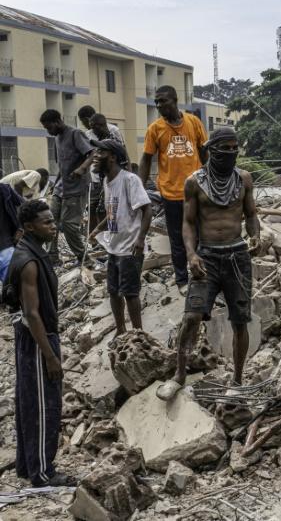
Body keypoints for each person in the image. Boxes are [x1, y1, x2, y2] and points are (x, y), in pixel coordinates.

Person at [156, 127, 259, 401]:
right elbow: (188, 223)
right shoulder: (194, 182)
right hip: (207, 257)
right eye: (225, 148)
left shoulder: (244, 179)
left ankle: (237, 380)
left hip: (237, 257)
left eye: (235, 148)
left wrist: (256, 236)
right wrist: (191, 255)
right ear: (212, 150)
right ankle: (178, 375)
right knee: (191, 317)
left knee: (240, 320)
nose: (231, 153)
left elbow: (251, 215)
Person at [6, 199, 76, 487]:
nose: (53, 226)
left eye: (52, 220)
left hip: (32, 337)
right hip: (38, 339)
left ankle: (29, 465)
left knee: (30, 401)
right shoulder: (30, 262)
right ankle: (44, 473)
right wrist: (50, 356)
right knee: (44, 405)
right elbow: (32, 313)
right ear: (30, 226)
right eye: (46, 222)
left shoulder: (29, 251)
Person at [139, 85, 208, 292]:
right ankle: (182, 280)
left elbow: (204, 152)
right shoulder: (155, 129)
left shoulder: (193, 122)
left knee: (201, 234)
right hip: (171, 194)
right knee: (177, 239)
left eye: (163, 101)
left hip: (197, 190)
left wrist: (210, 178)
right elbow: (146, 159)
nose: (159, 105)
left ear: (175, 100)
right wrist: (139, 189)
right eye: (156, 102)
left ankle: (203, 274)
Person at [87, 140, 151, 336]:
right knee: (113, 291)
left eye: (101, 152)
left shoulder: (129, 180)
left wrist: (140, 240)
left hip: (130, 247)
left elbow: (147, 209)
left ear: (113, 157)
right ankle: (121, 330)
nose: (95, 156)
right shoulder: (107, 182)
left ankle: (138, 334)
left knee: (130, 293)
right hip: (114, 247)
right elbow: (112, 213)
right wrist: (98, 229)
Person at [40, 109, 93, 265]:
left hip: (76, 188)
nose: (48, 131)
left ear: (57, 121)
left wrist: (82, 169)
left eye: (49, 127)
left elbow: (92, 154)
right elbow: (62, 165)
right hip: (60, 187)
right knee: (49, 220)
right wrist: (55, 185)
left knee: (69, 225)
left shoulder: (75, 134)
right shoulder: (57, 138)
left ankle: (84, 258)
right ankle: (52, 257)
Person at [84, 113, 127, 234]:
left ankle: (111, 235)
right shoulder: (99, 139)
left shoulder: (113, 138)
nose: (96, 156)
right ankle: (105, 237)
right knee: (103, 209)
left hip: (115, 180)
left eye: (100, 153)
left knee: (111, 209)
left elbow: (124, 156)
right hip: (104, 180)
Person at [0, 183, 23, 281]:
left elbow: (25, 206)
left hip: (6, 248)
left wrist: (21, 228)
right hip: (6, 248)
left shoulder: (4, 189)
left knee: (13, 285)